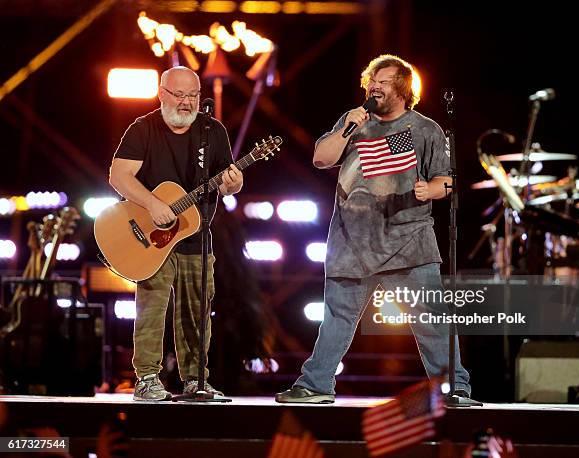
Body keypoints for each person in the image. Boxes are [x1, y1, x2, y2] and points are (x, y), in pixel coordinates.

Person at [275, 54, 471, 404]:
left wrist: (432, 189)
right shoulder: (354, 122)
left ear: (403, 88)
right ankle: (316, 385)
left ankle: (454, 388)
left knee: (432, 323)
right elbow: (322, 158)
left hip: (409, 244)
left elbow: (448, 181)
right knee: (336, 320)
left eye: (384, 81)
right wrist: (347, 127)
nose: (374, 86)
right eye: (371, 80)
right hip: (352, 243)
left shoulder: (425, 129)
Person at [109, 66, 243, 401]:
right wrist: (152, 203)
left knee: (198, 310)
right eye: (179, 94)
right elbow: (119, 176)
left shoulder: (212, 130)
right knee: (152, 307)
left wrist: (234, 183)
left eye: (193, 95)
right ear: (162, 93)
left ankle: (196, 379)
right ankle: (147, 378)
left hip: (197, 236)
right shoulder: (143, 128)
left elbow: (227, 178)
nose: (186, 102)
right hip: (153, 236)